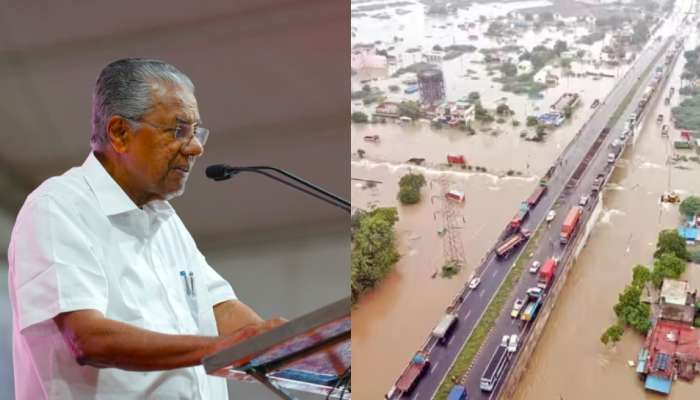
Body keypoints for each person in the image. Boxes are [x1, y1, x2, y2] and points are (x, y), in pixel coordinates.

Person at [8, 58, 285, 400]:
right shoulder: (58, 206)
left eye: (197, 132)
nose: (196, 147)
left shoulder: (165, 220)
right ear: (120, 133)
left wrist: (289, 346)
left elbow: (220, 309)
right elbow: (87, 338)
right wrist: (220, 348)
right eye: (178, 130)